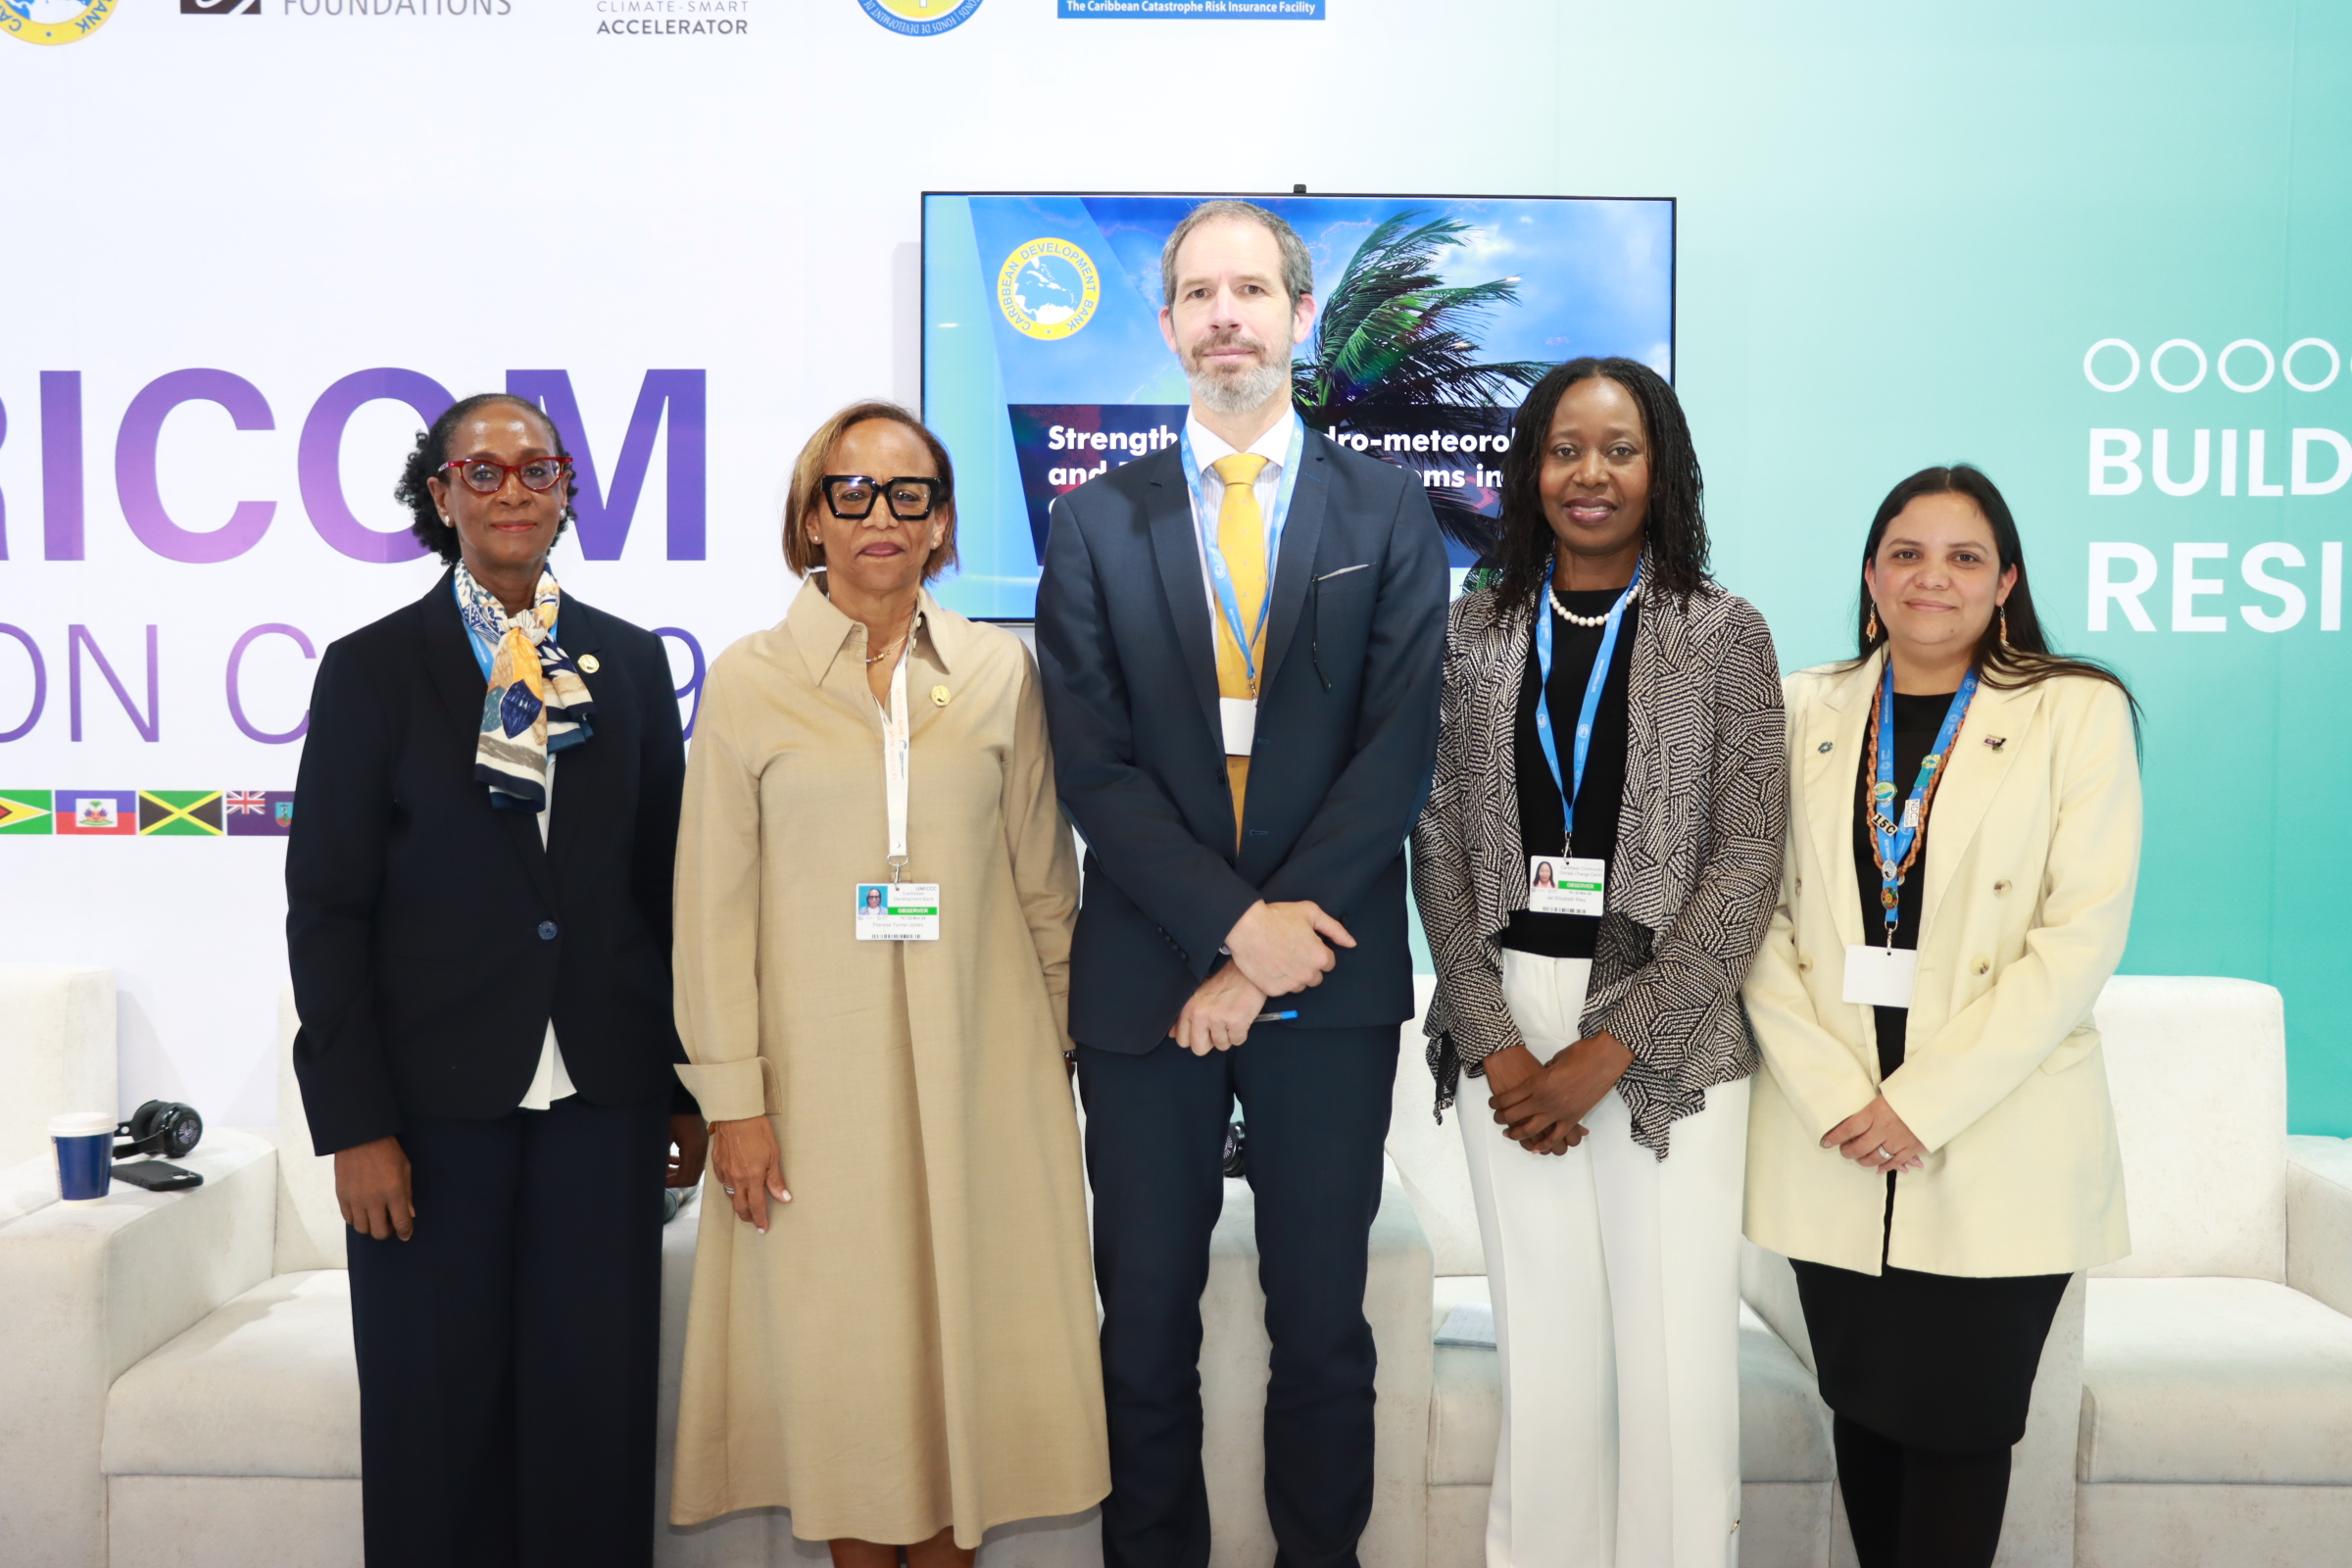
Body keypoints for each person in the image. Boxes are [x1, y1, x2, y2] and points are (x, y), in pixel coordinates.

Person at [1035, 198, 1447, 1568]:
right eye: (1200, 294)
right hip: (1149, 982)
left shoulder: (1387, 512)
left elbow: (1392, 758)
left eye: (1251, 291)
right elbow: (1095, 768)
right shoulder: (1096, 524)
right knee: (1141, 1324)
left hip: (1328, 987)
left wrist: (1265, 956)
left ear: (1298, 316)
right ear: (1166, 329)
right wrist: (1227, 937)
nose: (1226, 316)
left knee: (1323, 1325)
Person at [667, 401, 1107, 1568]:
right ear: (810, 519)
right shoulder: (750, 682)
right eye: (848, 491)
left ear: (943, 525)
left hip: (984, 1083)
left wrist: (1062, 1062)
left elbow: (1041, 885)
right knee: (848, 1382)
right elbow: (710, 913)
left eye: (907, 493)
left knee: (967, 1372)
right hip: (814, 1096)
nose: (878, 515)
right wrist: (733, 1103)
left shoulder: (999, 671)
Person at [286, 392, 707, 1567]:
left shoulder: (626, 662)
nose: (512, 489)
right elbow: (326, 911)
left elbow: (661, 888)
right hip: (426, 1114)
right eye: (483, 470)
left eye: (537, 468)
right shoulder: (373, 670)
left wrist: (682, 1085)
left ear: (568, 488)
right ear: (442, 495)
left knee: (595, 1422)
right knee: (435, 1425)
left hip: (604, 1101)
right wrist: (355, 1122)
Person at [1411, 357, 1788, 1568]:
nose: (1590, 473)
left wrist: (1611, 1051)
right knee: (1550, 1357)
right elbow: (1436, 844)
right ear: (1530, 467)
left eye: (1618, 449)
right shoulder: (1473, 627)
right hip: (1505, 1013)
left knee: (1674, 1363)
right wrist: (1498, 1041)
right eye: (1565, 447)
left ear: (1660, 466)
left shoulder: (1723, 634)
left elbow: (1747, 860)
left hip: (1665, 1032)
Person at [1741, 465, 2140, 1568]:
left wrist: (1920, 1103)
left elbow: (2080, 938)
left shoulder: (2077, 709)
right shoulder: (1799, 706)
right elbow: (1752, 916)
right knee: (1866, 1417)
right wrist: (1837, 1097)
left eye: (1966, 557)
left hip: (1994, 1129)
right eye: (1907, 553)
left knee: (1962, 1426)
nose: (1934, 578)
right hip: (1836, 1133)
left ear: (2006, 581)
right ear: (1871, 575)